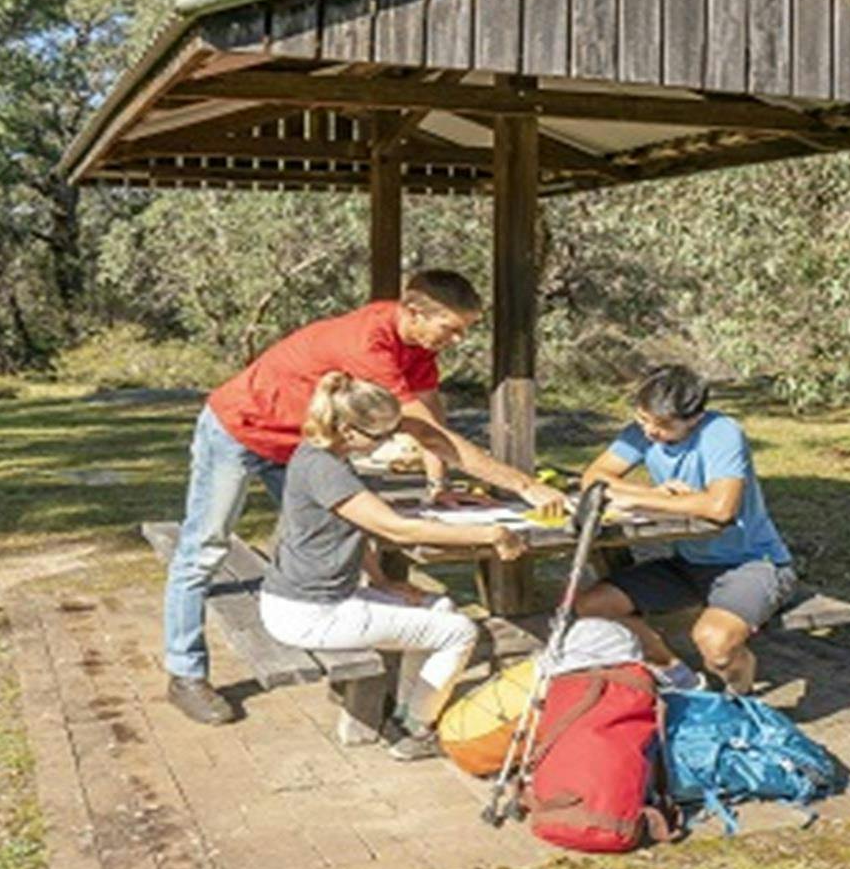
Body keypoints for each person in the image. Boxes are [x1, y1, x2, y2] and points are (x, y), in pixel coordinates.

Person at [163, 268, 566, 726]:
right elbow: (429, 435)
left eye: (463, 330)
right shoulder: (367, 344)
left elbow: (432, 417)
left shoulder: (417, 346)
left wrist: (438, 486)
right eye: (450, 328)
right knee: (204, 550)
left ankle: (350, 623)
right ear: (414, 311)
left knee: (338, 528)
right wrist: (525, 485)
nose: (456, 339)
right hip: (240, 428)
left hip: (300, 443)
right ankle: (185, 673)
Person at [258, 373, 525, 759]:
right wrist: (490, 534)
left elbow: (358, 527)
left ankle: (406, 714)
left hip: (316, 599)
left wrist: (382, 580)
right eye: (379, 436)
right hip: (310, 611)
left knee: (439, 607)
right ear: (348, 430)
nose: (388, 443)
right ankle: (415, 733)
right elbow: (394, 529)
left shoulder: (327, 456)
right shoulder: (324, 469)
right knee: (459, 633)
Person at [572, 365, 794, 695]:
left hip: (751, 563)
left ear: (694, 418)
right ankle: (677, 676)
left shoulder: (721, 432)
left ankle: (742, 694)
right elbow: (593, 480)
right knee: (593, 606)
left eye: (662, 425)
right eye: (643, 419)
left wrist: (638, 499)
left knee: (716, 646)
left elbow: (721, 508)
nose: (649, 431)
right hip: (688, 563)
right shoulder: (642, 431)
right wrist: (653, 496)